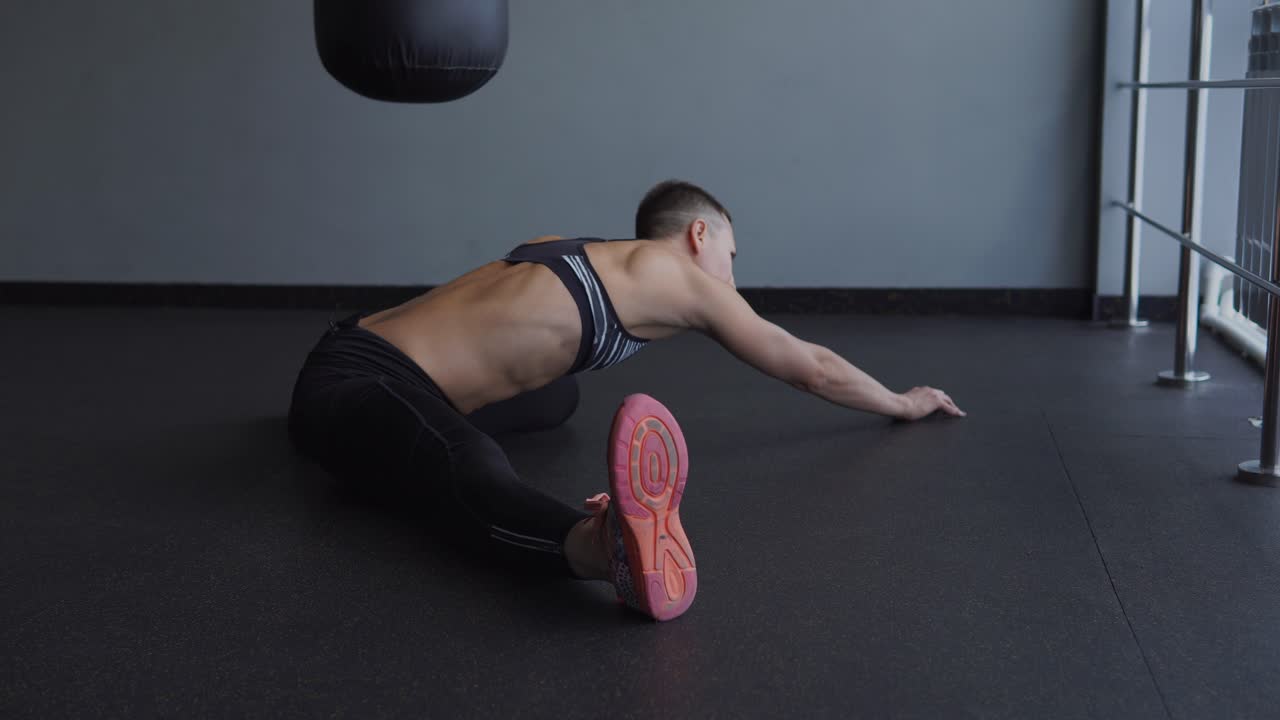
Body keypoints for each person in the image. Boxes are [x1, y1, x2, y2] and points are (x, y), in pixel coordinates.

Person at [287, 180, 966, 622]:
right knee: (465, 458)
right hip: (356, 384)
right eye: (734, 253)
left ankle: (388, 452)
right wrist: (901, 404)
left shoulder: (572, 248)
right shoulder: (681, 276)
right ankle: (594, 546)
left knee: (558, 395)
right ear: (700, 236)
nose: (734, 274)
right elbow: (809, 367)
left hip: (356, 353)